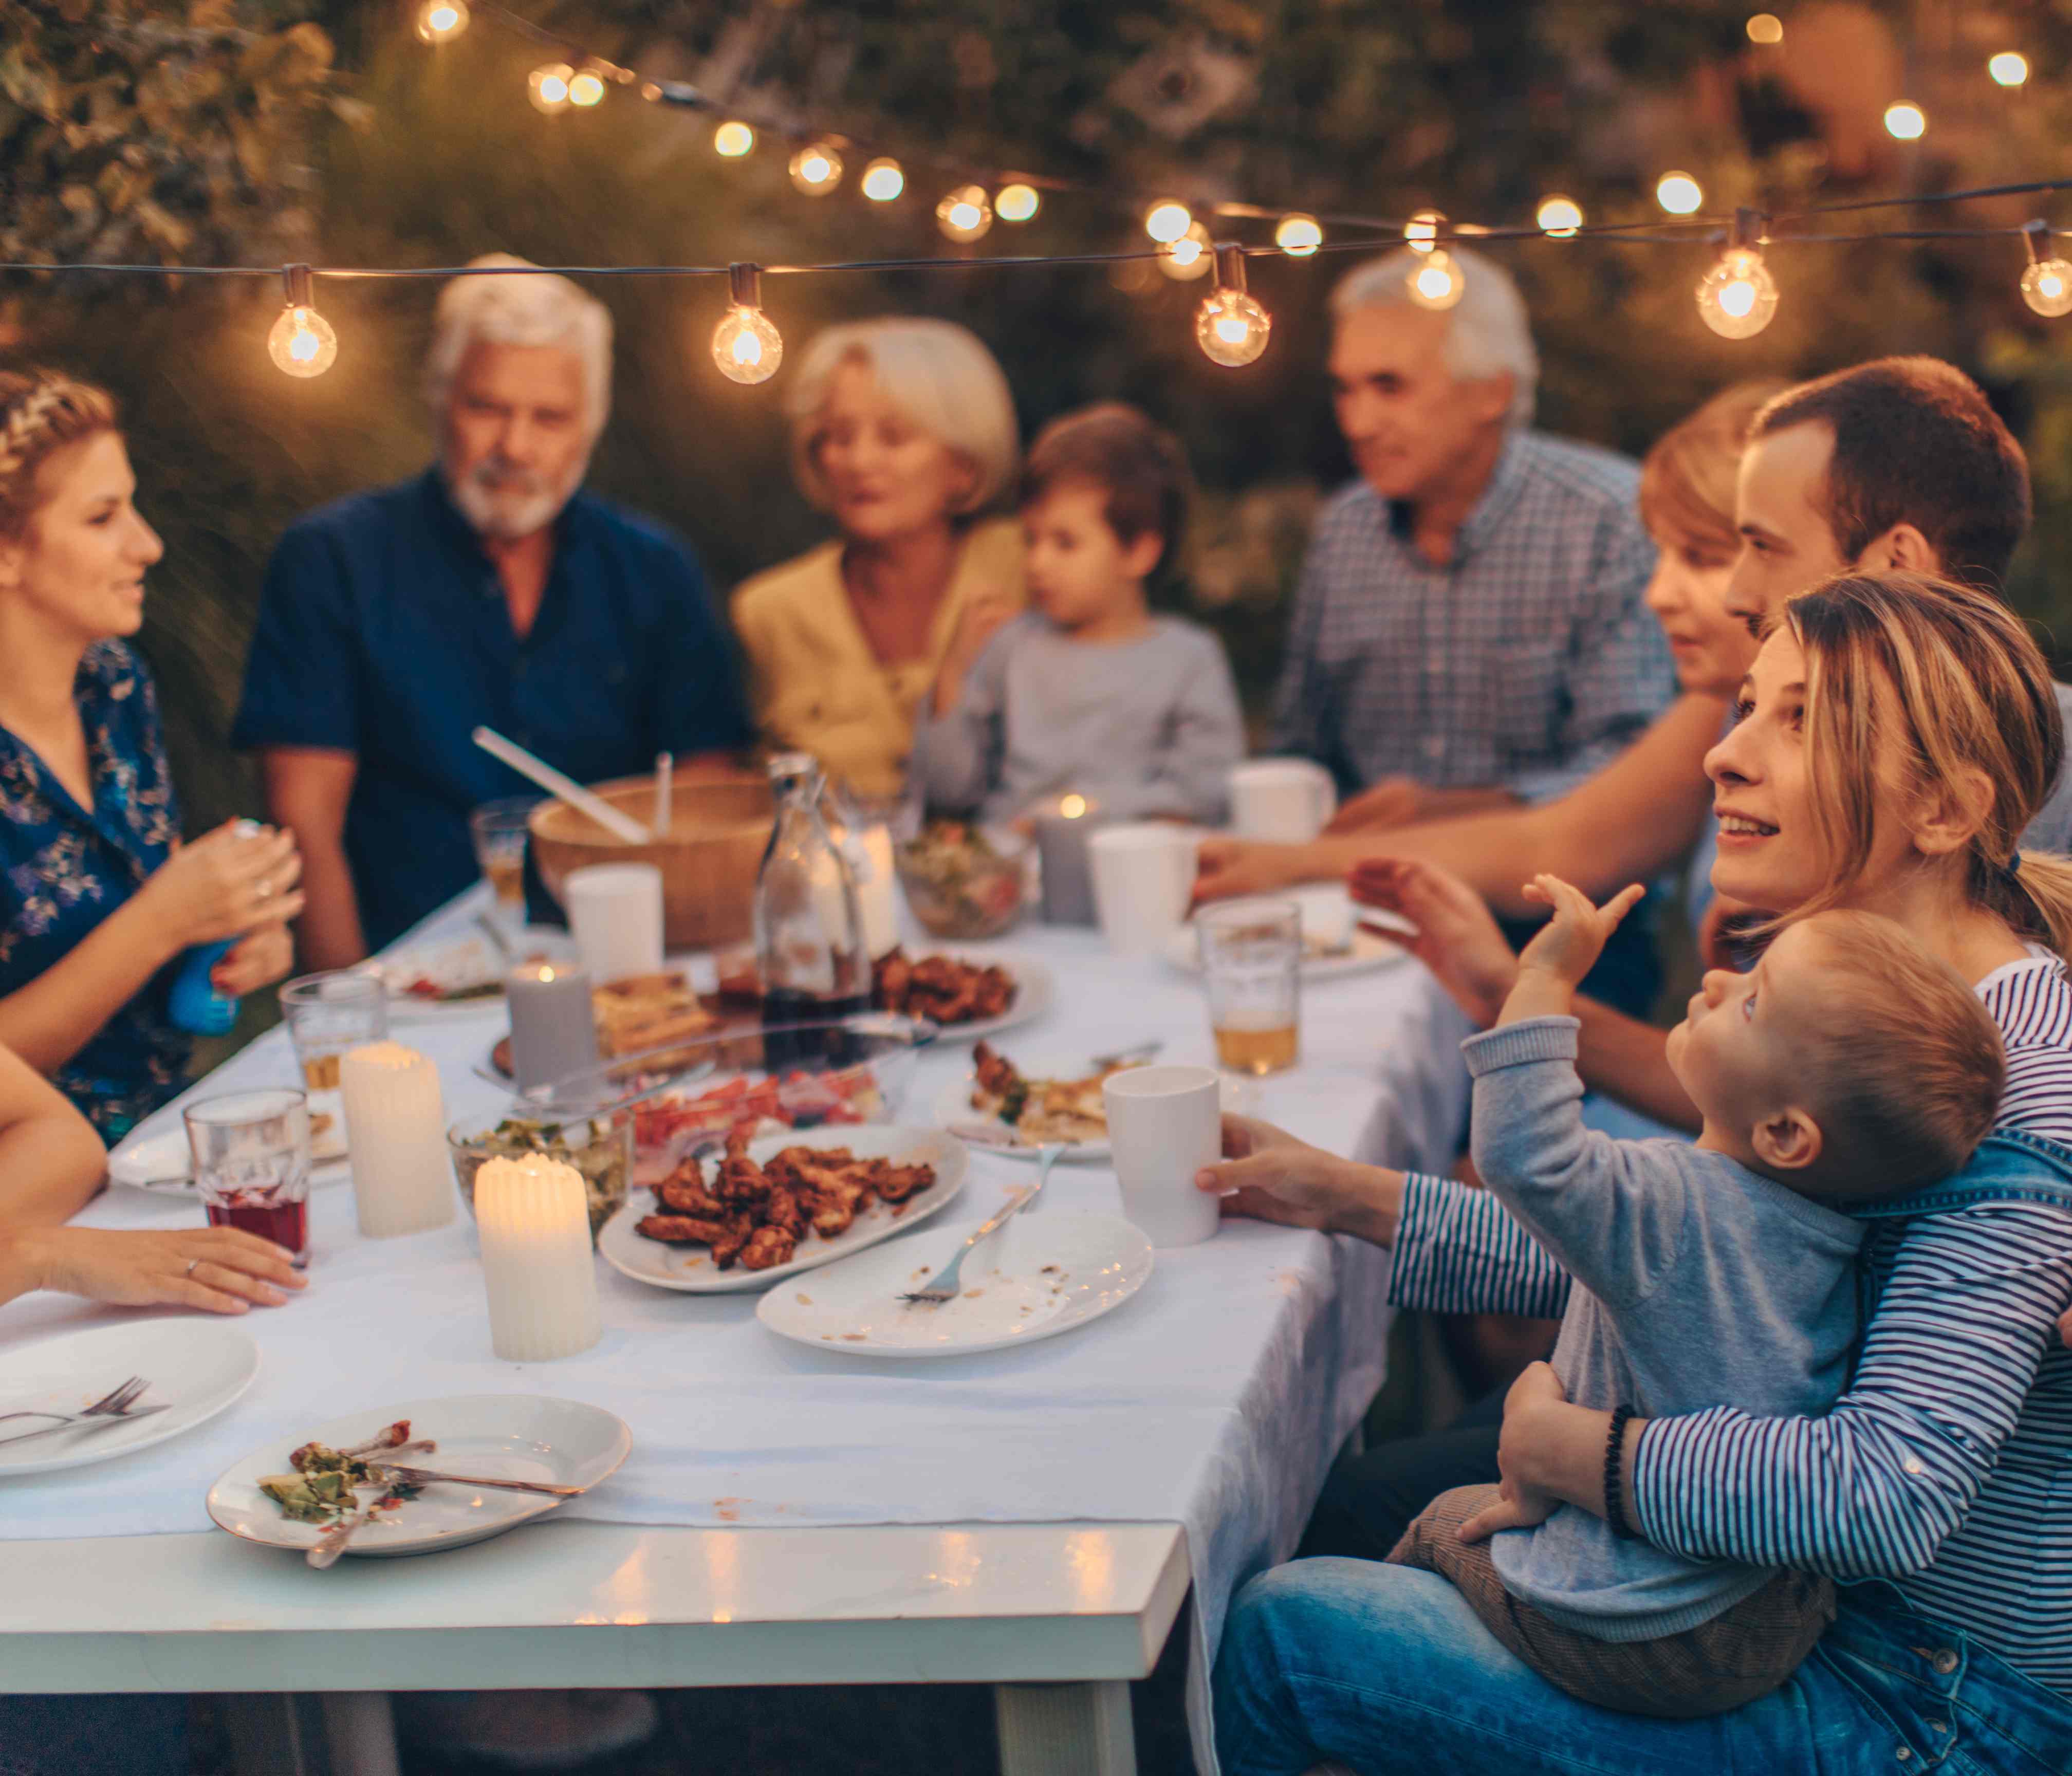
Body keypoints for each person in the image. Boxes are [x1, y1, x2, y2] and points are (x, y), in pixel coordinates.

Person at [1206, 572, 2072, 1772]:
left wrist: (1583, 1454)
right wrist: (1343, 1195)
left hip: (1929, 1704)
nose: (1723, 753)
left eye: (1799, 718)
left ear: (1939, 807)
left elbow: (1889, 1487)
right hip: (1786, 1610)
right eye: (1747, 706)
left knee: (1287, 1637)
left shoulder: (2017, 1098)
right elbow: (1680, 1250)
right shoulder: (1882, 1018)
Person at [1389, 875, 2001, 1720]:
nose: (1715, 983)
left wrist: (1539, 983)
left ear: (1786, 1133)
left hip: (1642, 1625)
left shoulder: (1669, 1203)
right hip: (1765, 1612)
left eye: (1751, 1003)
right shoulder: (1833, 1230)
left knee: (1430, 1530)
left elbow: (1526, 1156)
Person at [1196, 356, 2072, 916]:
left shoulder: (2019, 781)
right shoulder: (1755, 710)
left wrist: (1292, 864)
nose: (1728, 589)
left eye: (1752, 547)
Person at [235, 255, 750, 966]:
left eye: (549, 417)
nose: (515, 446)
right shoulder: (332, 559)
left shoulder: (653, 569)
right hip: (413, 971)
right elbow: (304, 823)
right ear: (440, 400)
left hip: (626, 960)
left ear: (590, 427)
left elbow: (703, 791)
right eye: (487, 408)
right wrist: (357, 1013)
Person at [1262, 245, 1671, 830]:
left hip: (1561, 907)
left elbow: (1637, 768)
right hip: (1360, 899)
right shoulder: (1344, 531)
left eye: (1389, 386)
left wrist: (1445, 816)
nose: (1357, 423)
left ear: (1492, 393)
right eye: (1345, 389)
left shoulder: (1608, 517)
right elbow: (1299, 750)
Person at [0, 371, 300, 1141]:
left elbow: (160, 903)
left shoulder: (114, 682)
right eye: (103, 518)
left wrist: (230, 932)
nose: (149, 544)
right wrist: (163, 921)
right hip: (37, 1191)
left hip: (175, 1135)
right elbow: (149, 916)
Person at [733, 317, 1025, 801]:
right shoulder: (769, 611)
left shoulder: (1029, 565)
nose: (859, 461)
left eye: (893, 437)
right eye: (840, 437)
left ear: (963, 464)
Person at [910, 401, 1243, 826]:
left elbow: (1204, 793)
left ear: (1139, 551)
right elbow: (947, 790)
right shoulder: (1011, 647)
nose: (1037, 563)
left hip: (1131, 866)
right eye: (1032, 540)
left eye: (1065, 543)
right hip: (1012, 873)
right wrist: (953, 674)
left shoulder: (1188, 659)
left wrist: (1073, 819)